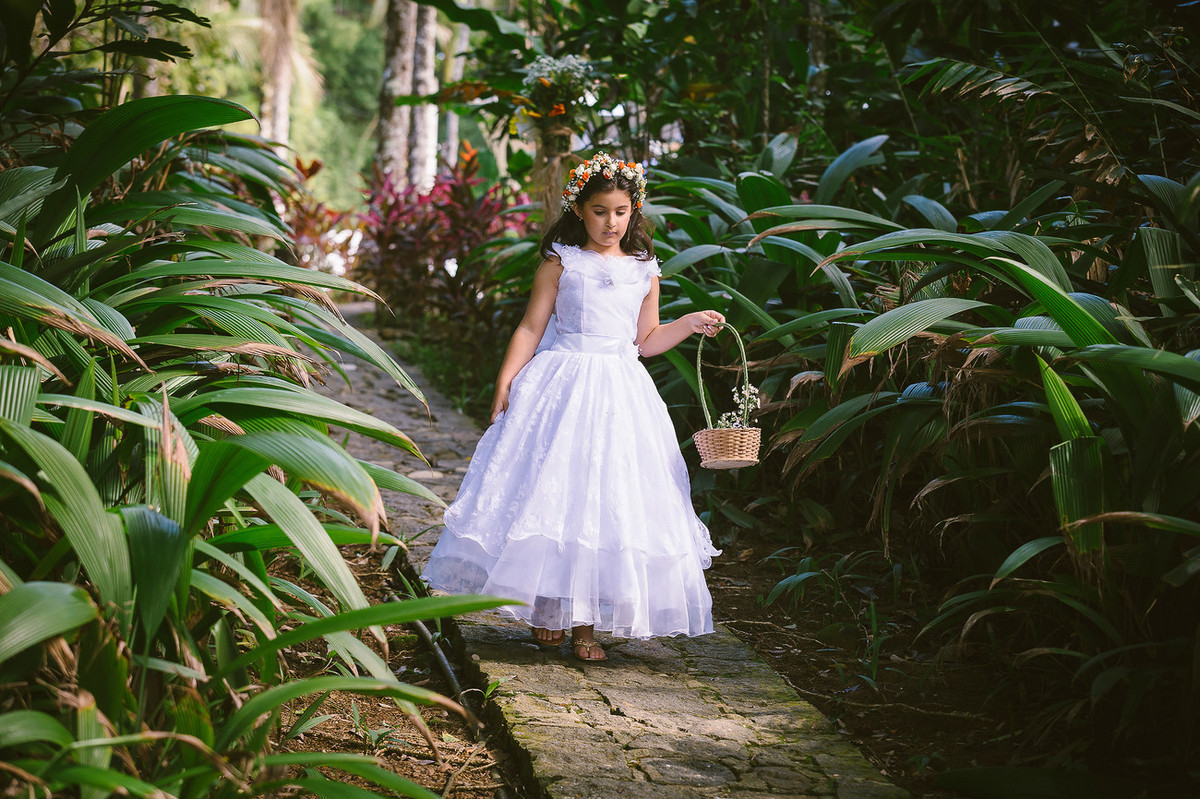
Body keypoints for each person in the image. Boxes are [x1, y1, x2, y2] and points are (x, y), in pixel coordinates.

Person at [421, 152, 724, 662]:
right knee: (554, 492)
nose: (612, 222)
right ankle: (548, 609)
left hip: (620, 391)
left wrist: (689, 322)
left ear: (634, 212)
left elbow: (645, 340)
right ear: (579, 209)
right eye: (601, 210)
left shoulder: (644, 271)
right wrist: (506, 378)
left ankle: (586, 626)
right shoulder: (561, 262)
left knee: (606, 498)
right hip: (561, 382)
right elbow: (530, 327)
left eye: (622, 211)